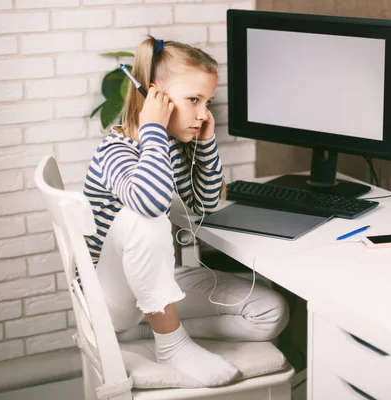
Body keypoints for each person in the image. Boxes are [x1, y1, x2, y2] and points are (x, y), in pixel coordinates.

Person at [82, 36, 289, 387]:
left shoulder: (173, 150)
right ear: (153, 99)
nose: (204, 113)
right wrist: (152, 129)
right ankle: (172, 344)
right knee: (142, 219)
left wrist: (206, 144)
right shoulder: (114, 152)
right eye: (193, 100)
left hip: (150, 286)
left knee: (271, 312)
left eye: (206, 102)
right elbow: (149, 203)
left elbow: (205, 204)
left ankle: (153, 329)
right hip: (110, 298)